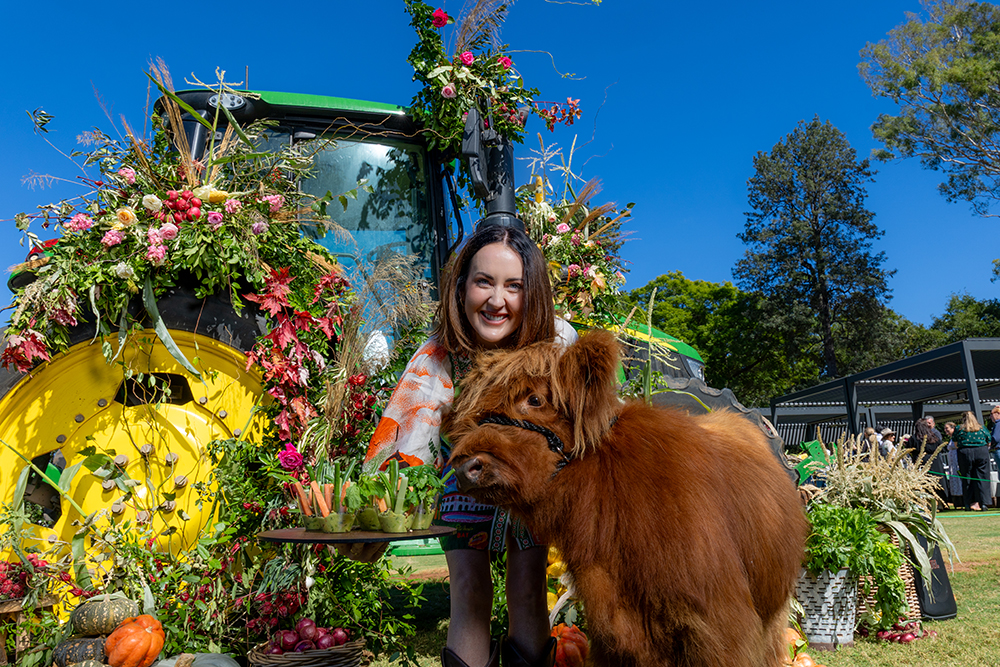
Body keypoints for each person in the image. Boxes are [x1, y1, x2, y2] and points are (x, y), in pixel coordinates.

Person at [364, 222, 574, 667]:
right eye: (484, 282)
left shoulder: (557, 344)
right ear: (462, 288)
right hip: (463, 481)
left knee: (528, 586)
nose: (497, 300)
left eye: (513, 286)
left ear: (531, 293)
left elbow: (585, 422)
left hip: (530, 484)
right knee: (469, 590)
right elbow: (405, 441)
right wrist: (376, 518)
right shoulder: (436, 358)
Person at [953, 411, 992, 511]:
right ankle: (984, 503)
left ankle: (968, 503)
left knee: (967, 477)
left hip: (965, 452)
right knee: (983, 477)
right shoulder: (982, 428)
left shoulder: (959, 428)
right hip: (981, 451)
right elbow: (989, 441)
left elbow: (955, 442)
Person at [911, 417, 945, 500]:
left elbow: (911, 449)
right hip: (935, 461)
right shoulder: (934, 437)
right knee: (938, 482)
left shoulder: (915, 438)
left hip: (921, 461)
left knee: (925, 482)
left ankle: (928, 502)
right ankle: (940, 502)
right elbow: (941, 448)